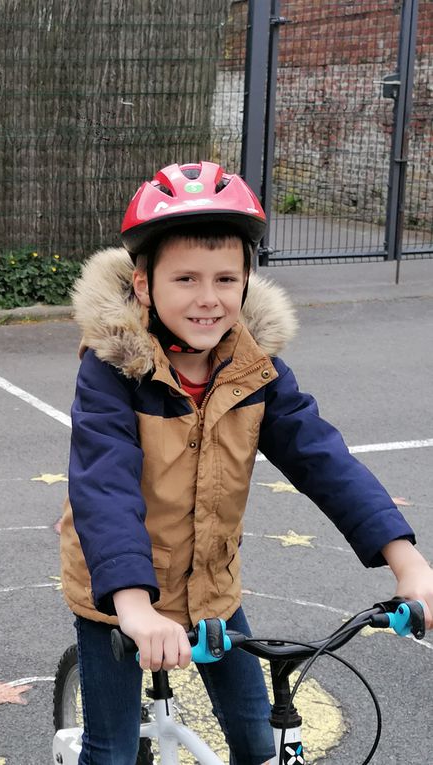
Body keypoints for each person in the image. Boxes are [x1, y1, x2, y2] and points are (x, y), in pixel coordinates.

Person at [58, 161, 433, 764]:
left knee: (261, 742)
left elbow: (320, 457)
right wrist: (131, 606)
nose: (208, 300)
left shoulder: (256, 371)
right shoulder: (111, 373)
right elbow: (104, 484)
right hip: (117, 589)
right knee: (113, 752)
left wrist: (407, 561)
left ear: (247, 281)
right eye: (184, 279)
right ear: (143, 285)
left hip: (212, 591)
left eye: (225, 279)